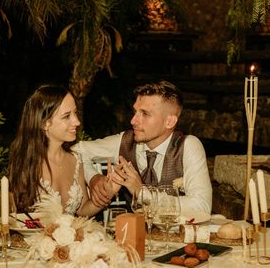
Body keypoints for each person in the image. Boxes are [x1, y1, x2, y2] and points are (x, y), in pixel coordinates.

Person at [74, 80, 212, 214]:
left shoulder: (188, 146)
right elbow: (75, 150)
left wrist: (142, 193)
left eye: (145, 114)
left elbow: (202, 206)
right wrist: (93, 178)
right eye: (135, 112)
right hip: (133, 233)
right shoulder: (125, 142)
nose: (133, 121)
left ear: (169, 122)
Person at [8, 84, 118, 217]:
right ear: (44, 123)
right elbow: (15, 216)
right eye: (66, 116)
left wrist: (107, 193)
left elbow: (83, 210)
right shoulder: (27, 162)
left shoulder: (75, 160)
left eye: (75, 113)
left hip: (69, 236)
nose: (76, 121)